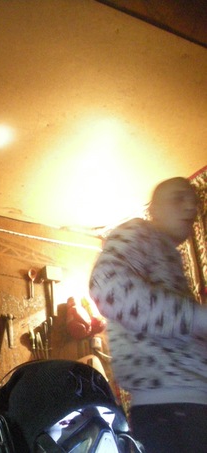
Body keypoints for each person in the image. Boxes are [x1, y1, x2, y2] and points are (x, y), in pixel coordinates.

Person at [89, 177, 207, 452]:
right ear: (153, 209)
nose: (190, 207)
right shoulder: (138, 233)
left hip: (185, 405)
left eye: (194, 200)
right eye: (178, 198)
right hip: (172, 411)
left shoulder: (167, 254)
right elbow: (107, 287)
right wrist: (197, 318)